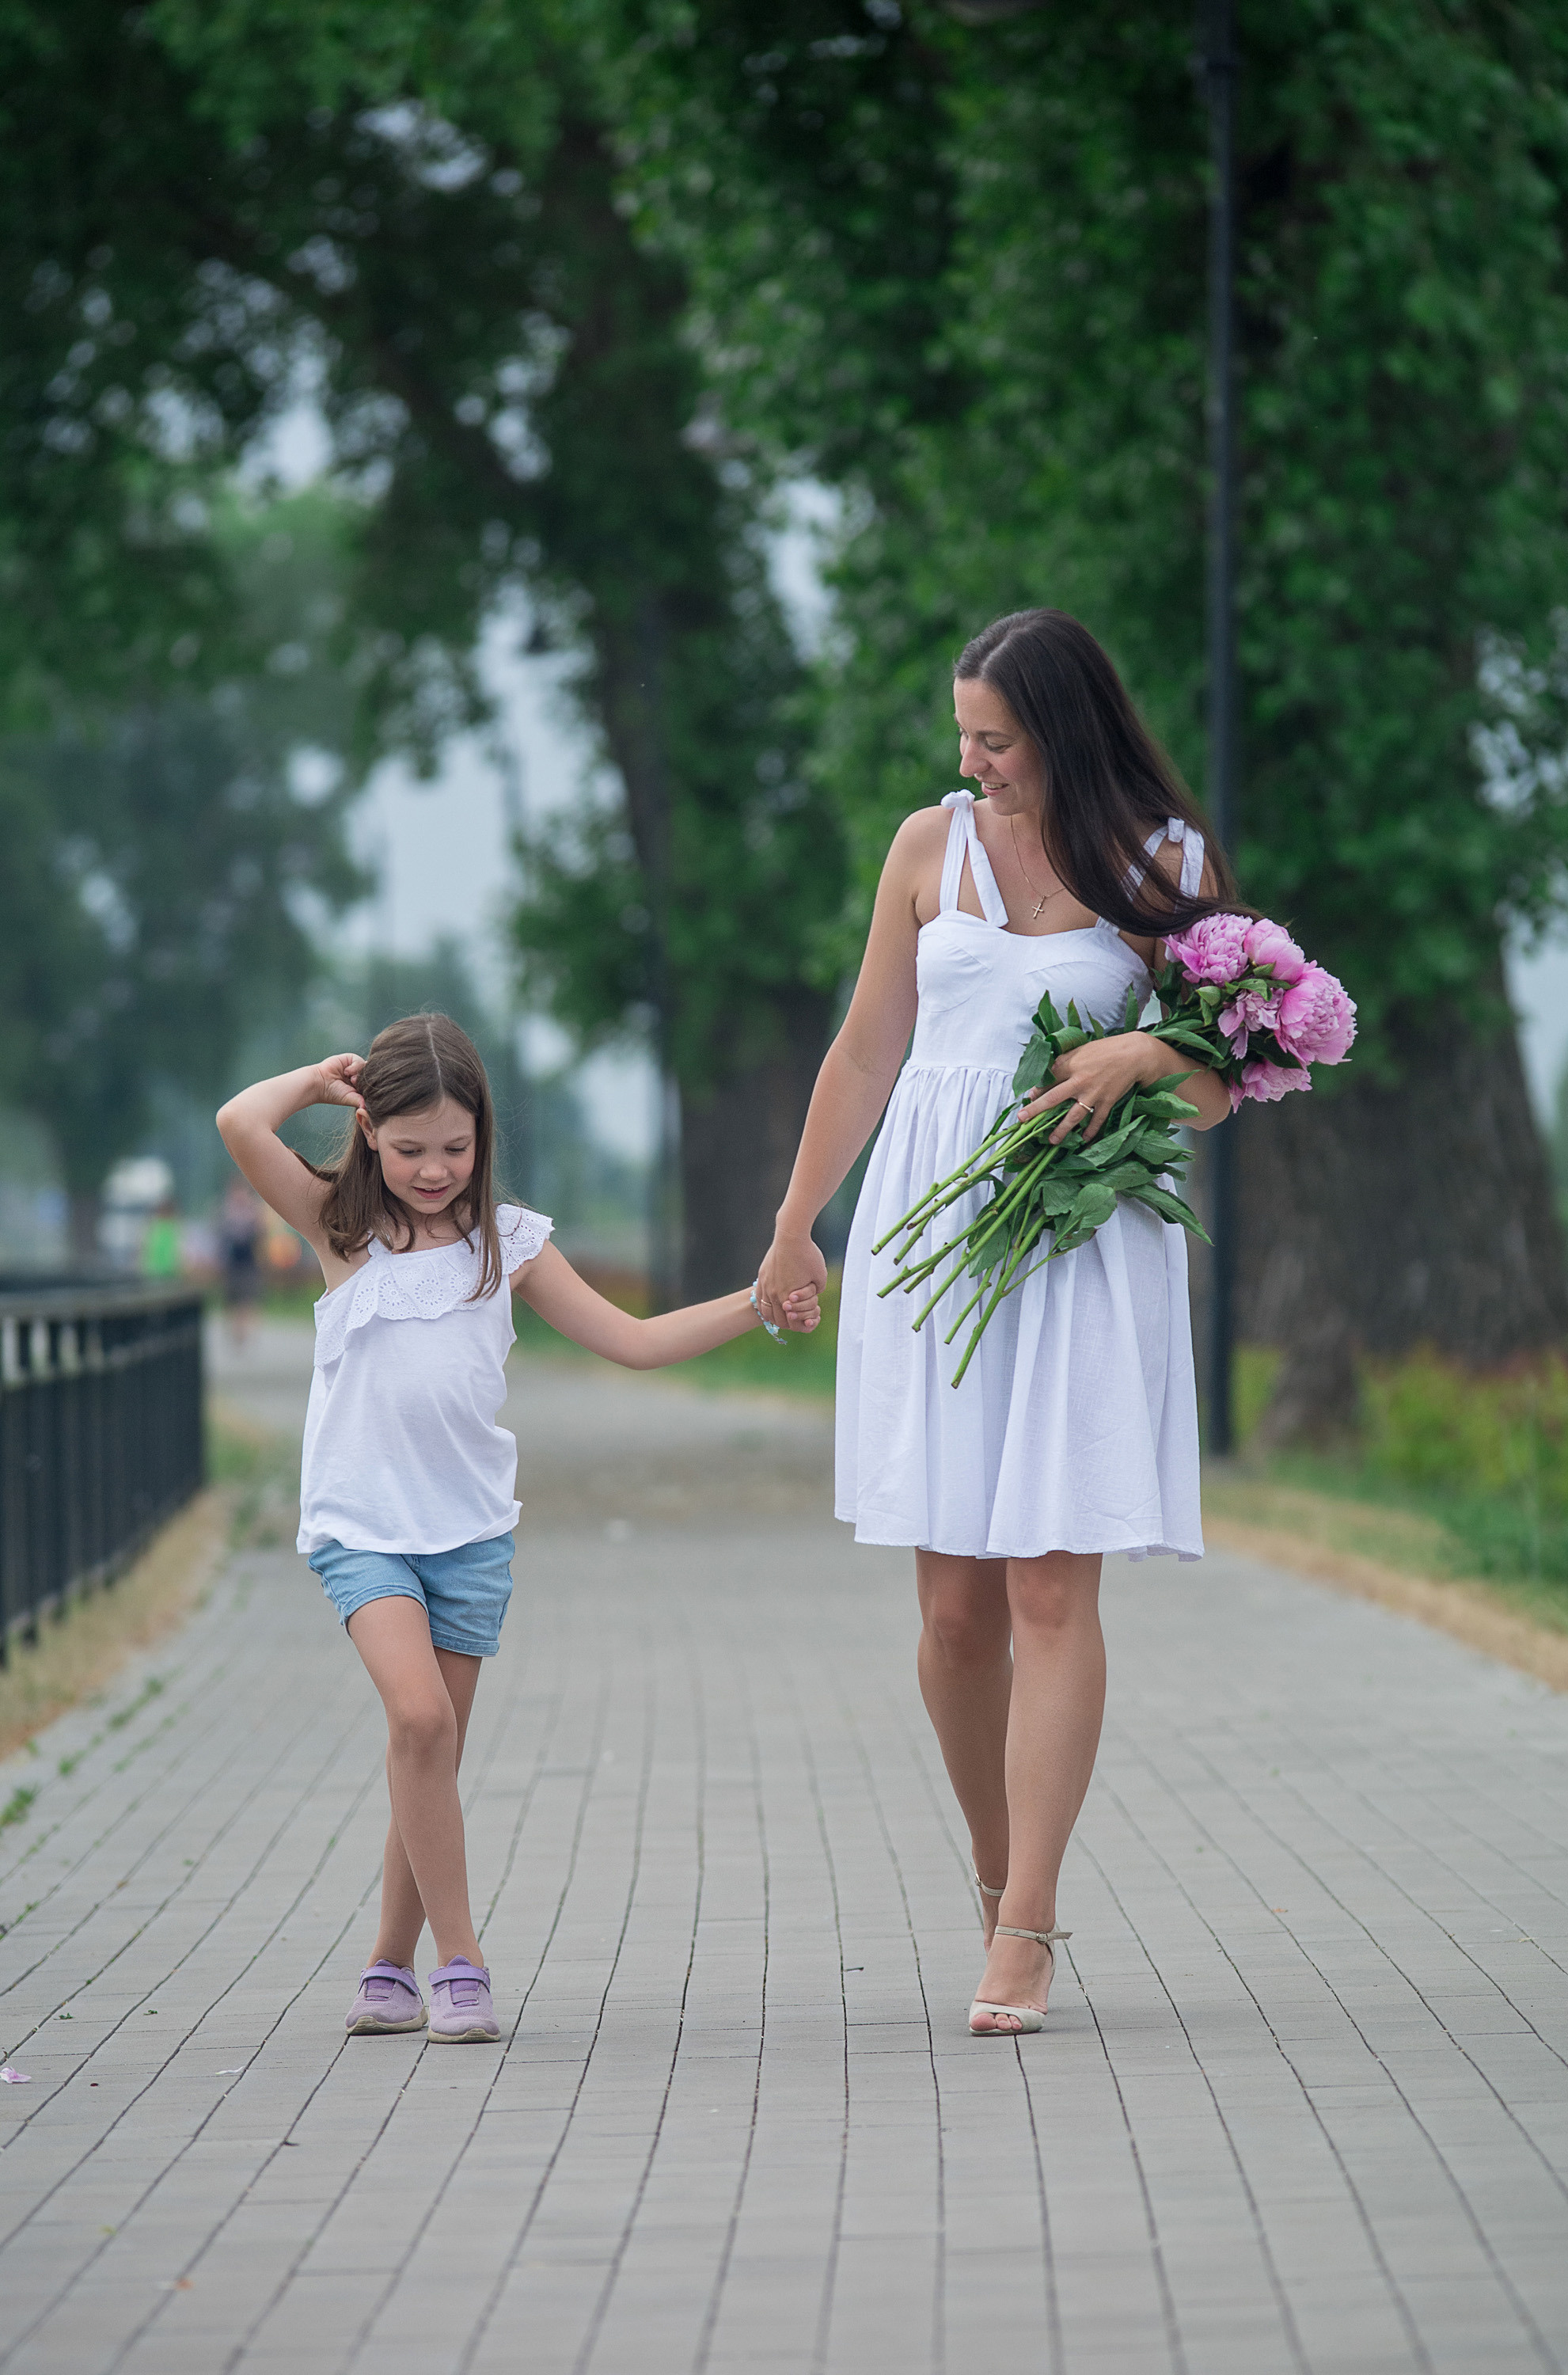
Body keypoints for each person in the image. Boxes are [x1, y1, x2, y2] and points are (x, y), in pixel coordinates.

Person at [755, 610, 1235, 2038]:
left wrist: (1148, 1046)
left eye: (997, 739)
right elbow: (867, 1049)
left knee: (1047, 1590)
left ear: (1065, 732)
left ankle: (1026, 1926)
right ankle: (994, 1869)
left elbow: (1230, 1074)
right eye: (964, 734)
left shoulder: (1164, 866)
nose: (973, 762)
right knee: (955, 1612)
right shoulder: (928, 848)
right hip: (934, 1242)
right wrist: (796, 1226)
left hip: (1085, 1254)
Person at [218, 1013, 819, 2046]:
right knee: (418, 1723)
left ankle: (386, 1967)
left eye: (455, 1148)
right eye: (409, 1149)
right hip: (364, 1526)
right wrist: (317, 1081)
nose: (434, 1169)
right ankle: (463, 1960)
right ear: (369, 1134)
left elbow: (631, 1342)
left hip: (469, 1533)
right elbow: (238, 1119)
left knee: (431, 1757)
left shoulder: (510, 1241)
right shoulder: (339, 1228)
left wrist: (759, 1306)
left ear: (482, 1136)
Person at [217, 1180, 264, 1346]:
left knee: (248, 1300)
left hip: (249, 1262)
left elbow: (260, 1234)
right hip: (233, 1262)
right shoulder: (228, 1211)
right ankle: (236, 1332)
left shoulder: (253, 1211)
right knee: (233, 1301)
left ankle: (245, 1332)